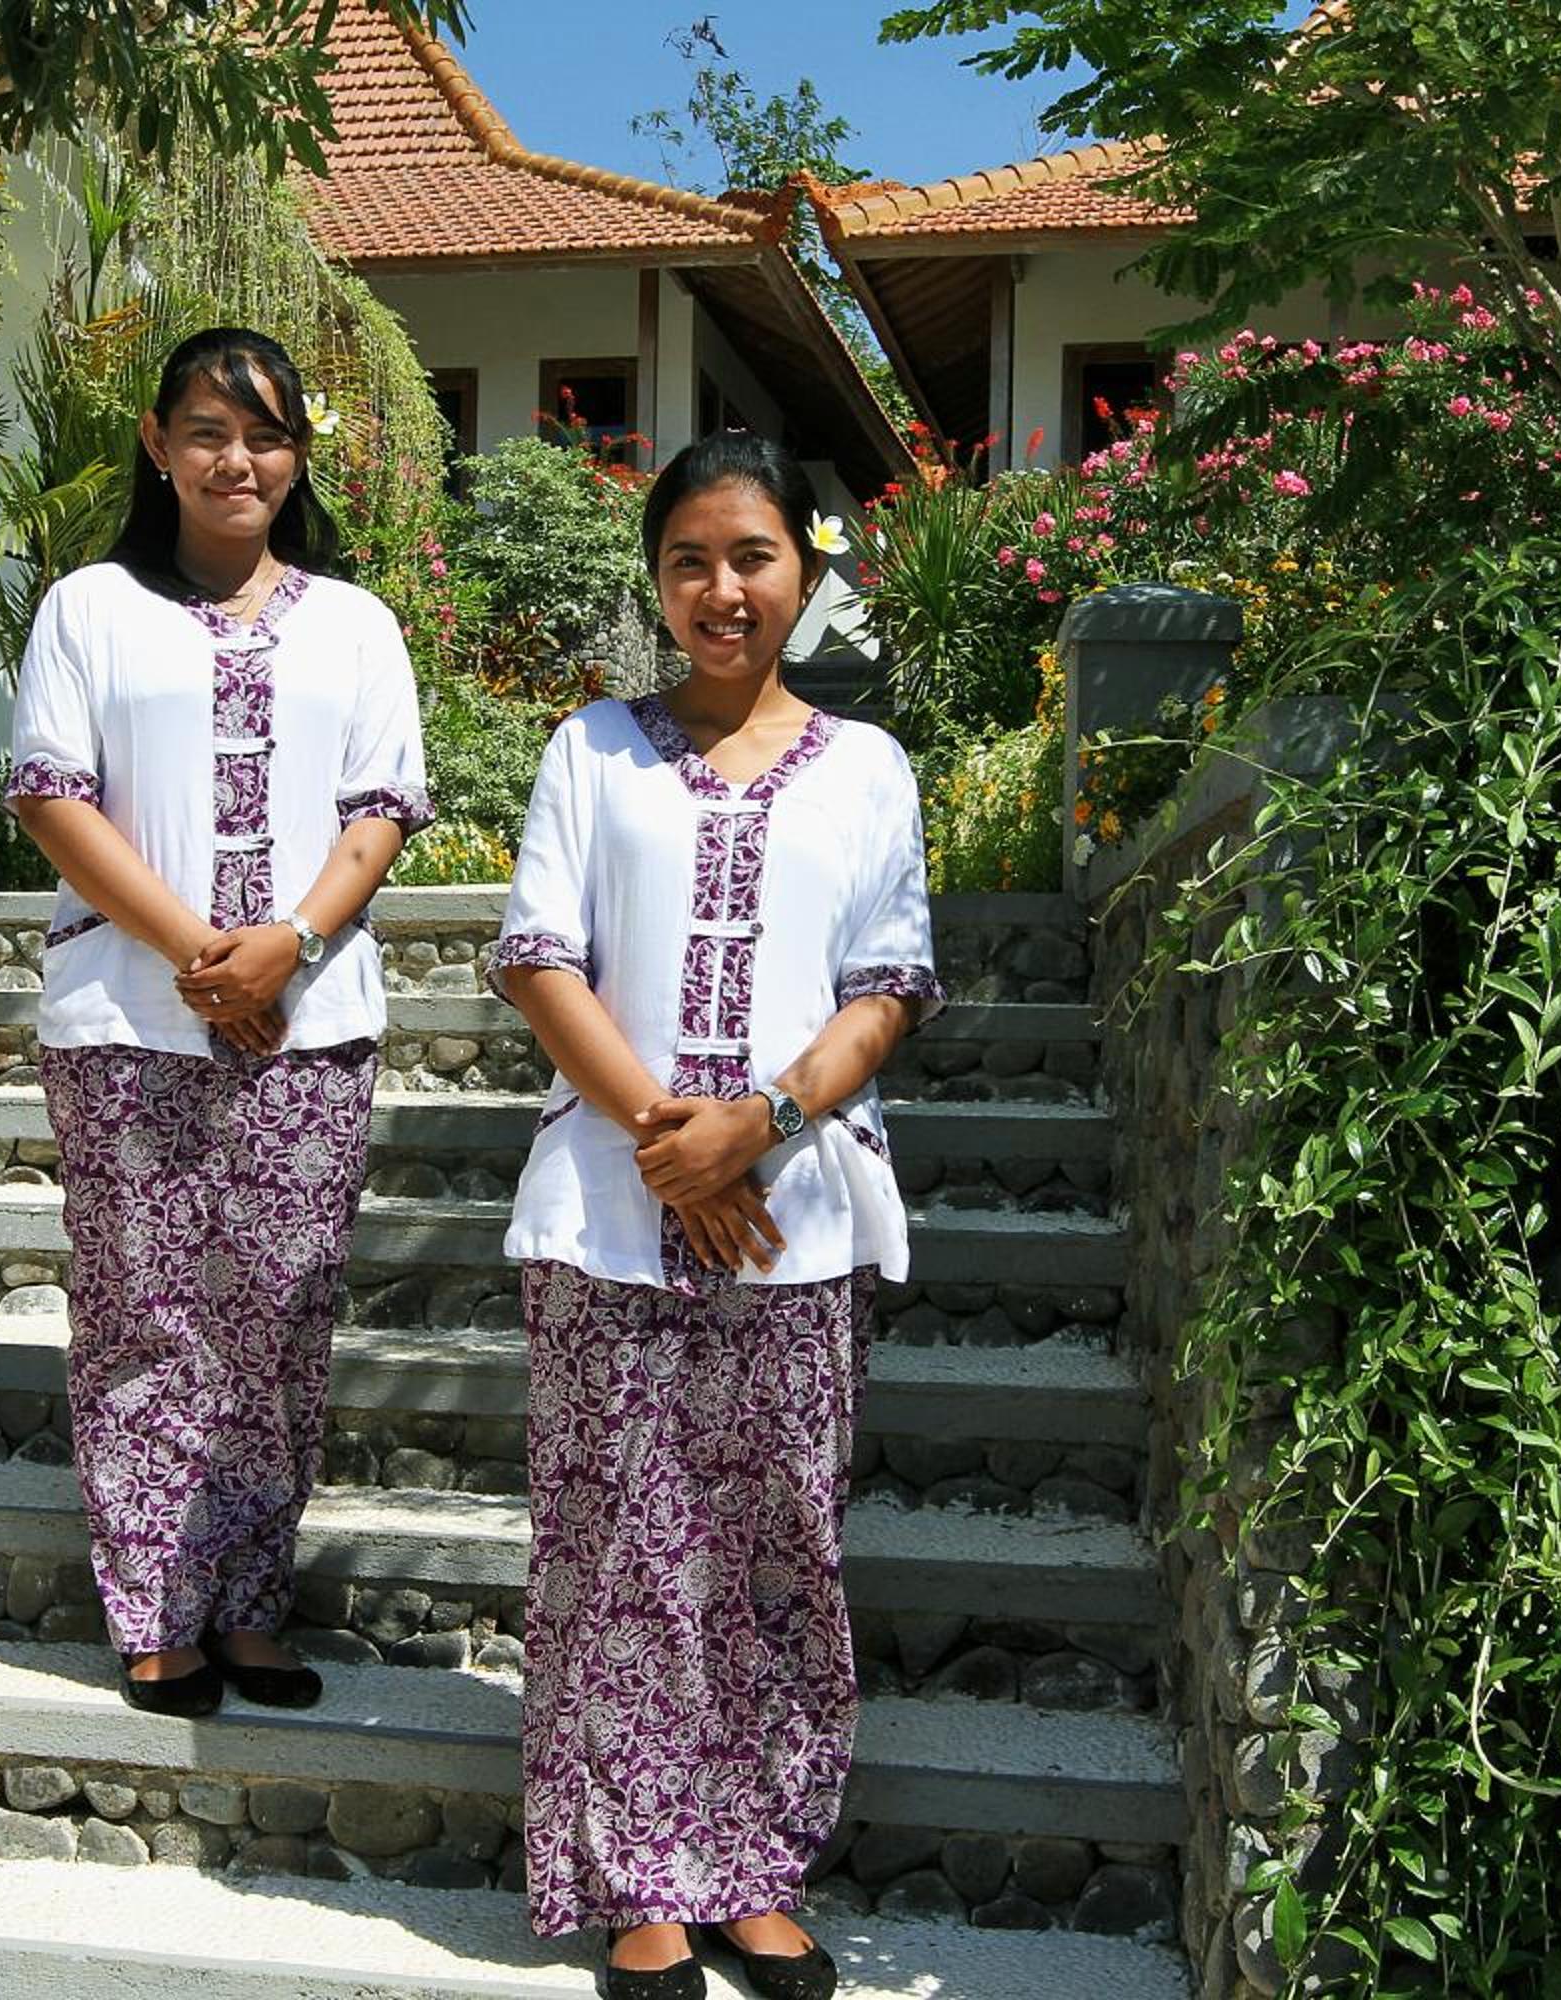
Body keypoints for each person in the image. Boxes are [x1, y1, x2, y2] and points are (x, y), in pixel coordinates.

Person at [486, 431, 944, 2000]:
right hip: (607, 1219)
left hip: (799, 1218)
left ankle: (752, 1869)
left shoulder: (869, 768)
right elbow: (541, 956)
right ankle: (639, 1878)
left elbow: (888, 985)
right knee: (618, 1540)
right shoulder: (590, 750)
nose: (722, 589)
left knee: (779, 1544)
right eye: (689, 560)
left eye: (752, 557)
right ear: (658, 582)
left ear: (805, 570)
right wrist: (665, 1140)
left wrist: (763, 1124)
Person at [5, 327, 432, 1718]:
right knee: (142, 1309)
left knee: (280, 1316)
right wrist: (202, 952)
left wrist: (288, 944)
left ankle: (250, 1603)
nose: (234, 459)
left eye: (262, 434)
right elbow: (53, 794)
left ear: (297, 454)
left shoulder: (355, 625)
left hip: (312, 1024)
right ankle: (153, 1609)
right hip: (126, 1020)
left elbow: (381, 808)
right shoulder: (88, 608)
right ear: (158, 443)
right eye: (205, 430)